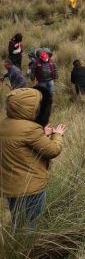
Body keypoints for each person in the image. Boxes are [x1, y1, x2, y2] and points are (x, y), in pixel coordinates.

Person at [0, 88, 65, 229]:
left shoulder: (4, 124)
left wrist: (42, 135)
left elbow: (22, 147)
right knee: (31, 226)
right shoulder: (30, 129)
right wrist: (57, 135)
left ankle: (15, 249)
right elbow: (53, 150)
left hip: (11, 187)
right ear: (31, 108)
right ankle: (29, 250)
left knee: (17, 223)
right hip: (31, 187)